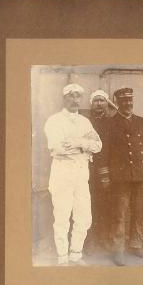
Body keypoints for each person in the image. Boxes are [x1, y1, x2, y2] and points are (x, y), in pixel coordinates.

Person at [43, 83, 102, 265]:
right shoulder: (54, 121)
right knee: (62, 215)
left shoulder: (85, 122)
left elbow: (98, 145)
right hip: (62, 171)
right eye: (71, 96)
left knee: (83, 215)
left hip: (81, 173)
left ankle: (76, 254)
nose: (75, 100)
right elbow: (58, 148)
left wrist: (77, 142)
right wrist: (85, 145)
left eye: (78, 96)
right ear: (64, 98)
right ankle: (62, 257)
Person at [105, 87, 143, 266]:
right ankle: (118, 250)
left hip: (139, 175)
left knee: (139, 211)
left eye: (130, 100)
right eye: (124, 101)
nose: (128, 104)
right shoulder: (110, 123)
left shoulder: (140, 121)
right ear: (117, 103)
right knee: (120, 213)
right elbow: (106, 150)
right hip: (120, 177)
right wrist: (107, 174)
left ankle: (136, 244)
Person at [84, 90, 113, 253]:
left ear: (107, 104)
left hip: (104, 169)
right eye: (96, 101)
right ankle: (88, 240)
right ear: (91, 104)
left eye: (102, 101)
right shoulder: (84, 121)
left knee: (104, 204)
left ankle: (103, 238)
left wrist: (107, 170)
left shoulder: (111, 123)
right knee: (86, 204)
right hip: (85, 168)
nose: (99, 104)